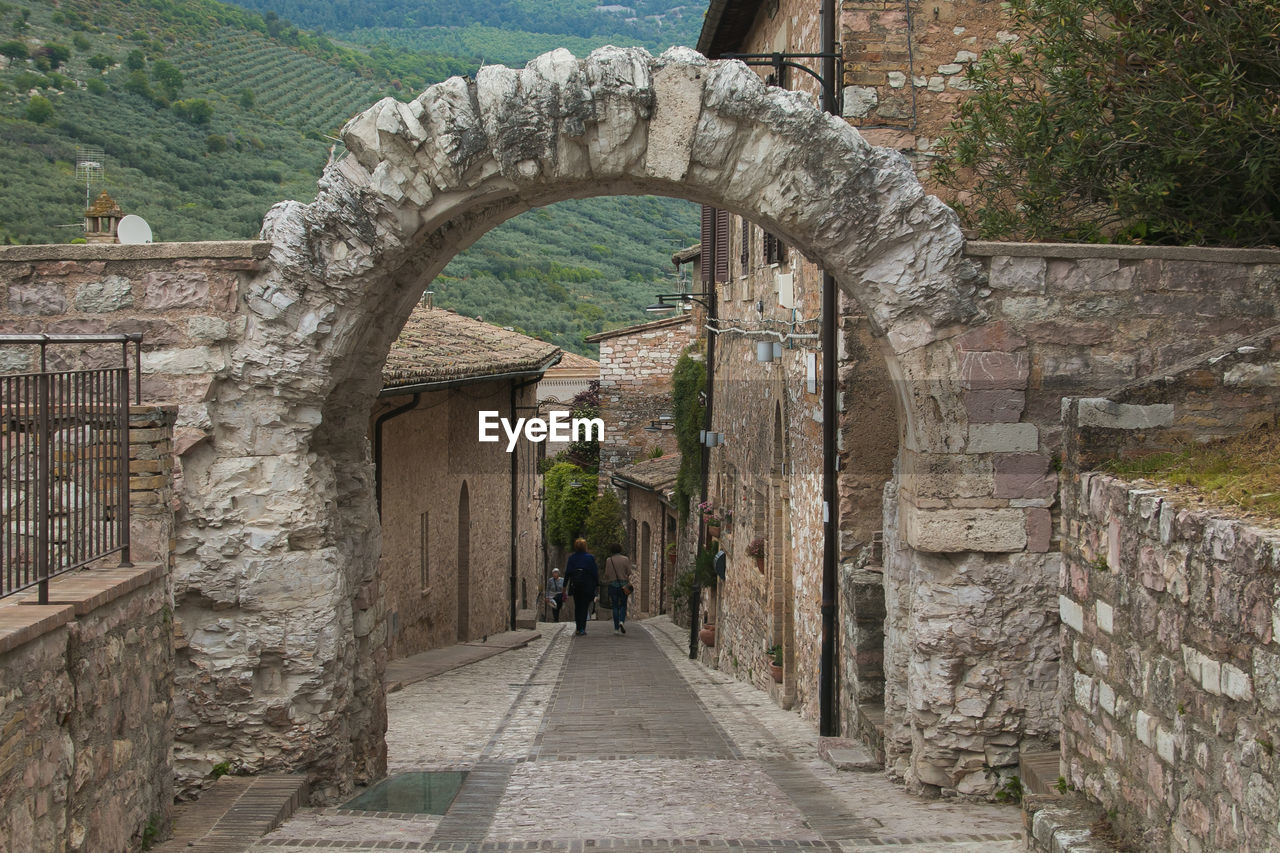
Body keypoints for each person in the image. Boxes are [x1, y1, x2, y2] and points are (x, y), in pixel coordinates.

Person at [564, 538, 599, 636]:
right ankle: (582, 628)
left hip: (576, 585)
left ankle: (578, 628)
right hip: (587, 585)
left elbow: (567, 573)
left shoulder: (572, 558)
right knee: (584, 607)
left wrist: (564, 586)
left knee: (577, 607)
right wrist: (597, 585)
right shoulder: (590, 558)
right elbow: (594, 572)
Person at [601, 543, 634, 634]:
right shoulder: (625, 559)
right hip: (624, 585)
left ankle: (616, 628)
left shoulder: (609, 560)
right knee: (623, 605)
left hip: (613, 585)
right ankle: (621, 621)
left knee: (615, 606)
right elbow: (629, 572)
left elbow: (607, 574)